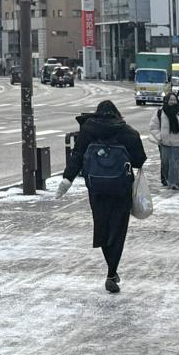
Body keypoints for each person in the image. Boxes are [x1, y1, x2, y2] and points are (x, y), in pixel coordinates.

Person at [55, 100, 147, 294]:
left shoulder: (89, 129)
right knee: (118, 229)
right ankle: (111, 272)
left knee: (102, 226)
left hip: (96, 187)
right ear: (116, 113)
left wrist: (67, 179)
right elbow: (139, 159)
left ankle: (111, 270)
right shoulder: (126, 131)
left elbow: (77, 155)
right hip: (121, 188)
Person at [149, 93, 179, 190]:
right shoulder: (160, 112)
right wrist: (159, 137)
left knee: (175, 162)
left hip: (178, 142)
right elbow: (153, 127)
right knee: (165, 163)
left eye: (174, 100)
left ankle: (174, 182)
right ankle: (168, 179)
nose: (173, 102)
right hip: (164, 142)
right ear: (166, 101)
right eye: (171, 100)